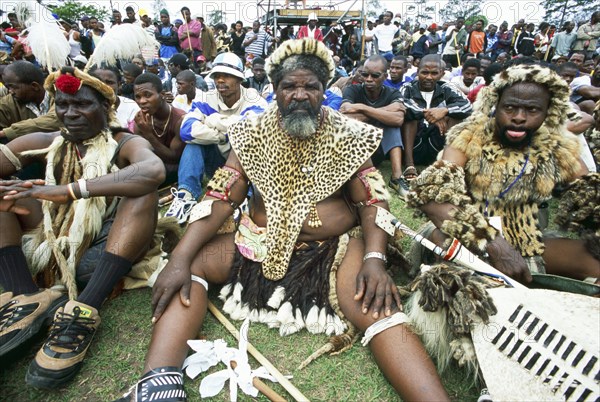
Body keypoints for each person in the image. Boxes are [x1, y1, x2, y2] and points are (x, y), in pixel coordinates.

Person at [116, 38, 449, 402]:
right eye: (290, 86)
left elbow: (373, 201)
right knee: (191, 261)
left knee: (375, 304)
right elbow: (221, 197)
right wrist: (179, 257)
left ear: (326, 91)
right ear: (274, 90)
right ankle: (158, 385)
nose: (300, 95)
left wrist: (374, 258)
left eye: (311, 86)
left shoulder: (349, 135)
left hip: (331, 252)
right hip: (259, 242)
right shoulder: (251, 133)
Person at [0, 67, 165, 388]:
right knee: (6, 191)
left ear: (105, 108)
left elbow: (153, 169)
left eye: (82, 105)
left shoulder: (124, 142)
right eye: (63, 105)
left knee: (142, 188)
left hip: (99, 255)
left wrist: (70, 190)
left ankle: (84, 309)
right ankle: (23, 296)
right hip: (47, 249)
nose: (70, 113)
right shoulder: (44, 141)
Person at [408, 63, 599, 283]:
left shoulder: (556, 146)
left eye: (532, 110)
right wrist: (494, 243)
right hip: (462, 235)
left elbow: (590, 194)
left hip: (525, 238)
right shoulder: (469, 137)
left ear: (548, 112)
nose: (519, 117)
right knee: (461, 279)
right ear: (495, 105)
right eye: (510, 108)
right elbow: (432, 195)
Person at [164, 52, 267, 223]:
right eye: (217, 76)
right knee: (193, 144)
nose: (220, 80)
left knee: (244, 141)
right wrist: (222, 136)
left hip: (248, 168)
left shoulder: (254, 99)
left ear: (239, 79)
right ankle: (186, 195)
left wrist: (212, 120)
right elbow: (187, 130)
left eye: (227, 76)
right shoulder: (206, 98)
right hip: (217, 160)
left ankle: (245, 197)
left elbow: (251, 129)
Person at [340, 55, 407, 197]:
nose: (369, 79)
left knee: (392, 126)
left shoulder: (393, 92)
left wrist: (362, 109)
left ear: (385, 76)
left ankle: (396, 178)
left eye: (375, 75)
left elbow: (398, 119)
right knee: (385, 121)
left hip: (379, 150)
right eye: (365, 74)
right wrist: (383, 114)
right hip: (356, 152)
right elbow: (346, 115)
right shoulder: (352, 90)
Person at [400, 54, 472, 178]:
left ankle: (447, 164)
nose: (429, 77)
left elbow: (467, 106)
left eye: (434, 73)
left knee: (455, 117)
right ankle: (409, 165)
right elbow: (402, 102)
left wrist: (445, 111)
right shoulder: (408, 87)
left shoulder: (446, 88)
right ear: (417, 72)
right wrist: (430, 116)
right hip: (415, 144)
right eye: (424, 72)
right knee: (409, 117)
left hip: (437, 144)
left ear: (442, 73)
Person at [133, 73, 186, 179]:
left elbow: (174, 158)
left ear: (162, 95)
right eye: (138, 97)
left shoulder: (180, 120)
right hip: (152, 166)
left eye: (147, 95)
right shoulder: (140, 120)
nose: (142, 101)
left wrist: (148, 135)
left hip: (177, 168)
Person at [0, 61, 61, 141]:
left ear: (34, 86)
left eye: (14, 87)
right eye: (8, 87)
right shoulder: (8, 103)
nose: (10, 91)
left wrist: (7, 132)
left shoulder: (60, 96)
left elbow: (55, 120)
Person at [90, 66, 140, 132]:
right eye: (98, 82)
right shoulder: (83, 107)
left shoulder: (132, 107)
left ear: (119, 85)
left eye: (109, 82)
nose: (104, 86)